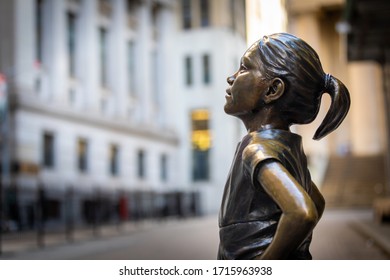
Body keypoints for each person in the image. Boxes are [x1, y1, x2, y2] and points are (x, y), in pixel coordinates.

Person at [218, 33, 350, 260]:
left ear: (272, 90)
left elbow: (303, 213)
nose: (231, 78)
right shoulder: (287, 147)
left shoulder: (258, 149)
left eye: (243, 68)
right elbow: (317, 201)